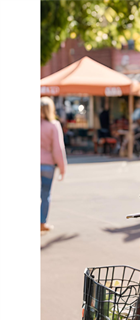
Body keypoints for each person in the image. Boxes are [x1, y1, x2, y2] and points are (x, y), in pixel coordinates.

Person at [41, 97, 68, 232]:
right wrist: (62, 169)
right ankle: (42, 223)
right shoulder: (53, 125)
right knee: (45, 195)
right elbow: (58, 149)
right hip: (47, 165)